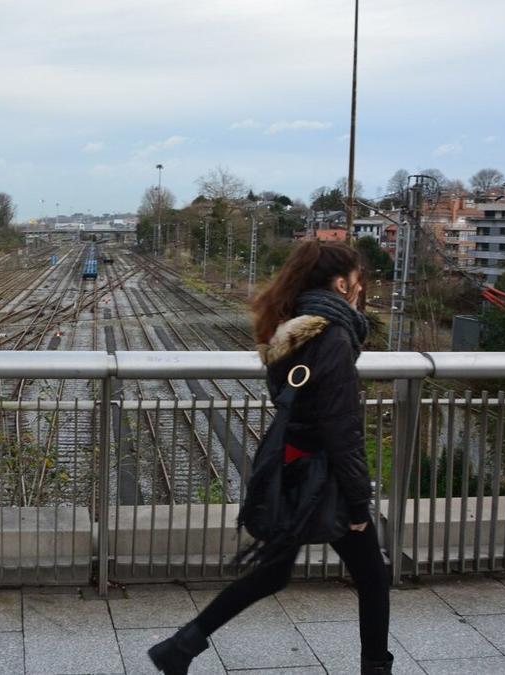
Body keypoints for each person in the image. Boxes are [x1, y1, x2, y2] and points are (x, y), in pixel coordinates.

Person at [147, 241, 393, 675]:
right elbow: (342, 428)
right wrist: (358, 503)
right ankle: (377, 668)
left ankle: (179, 648)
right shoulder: (335, 336)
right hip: (323, 475)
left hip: (293, 465)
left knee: (274, 574)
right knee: (373, 576)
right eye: (358, 280)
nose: (360, 288)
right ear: (342, 283)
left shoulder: (293, 328)